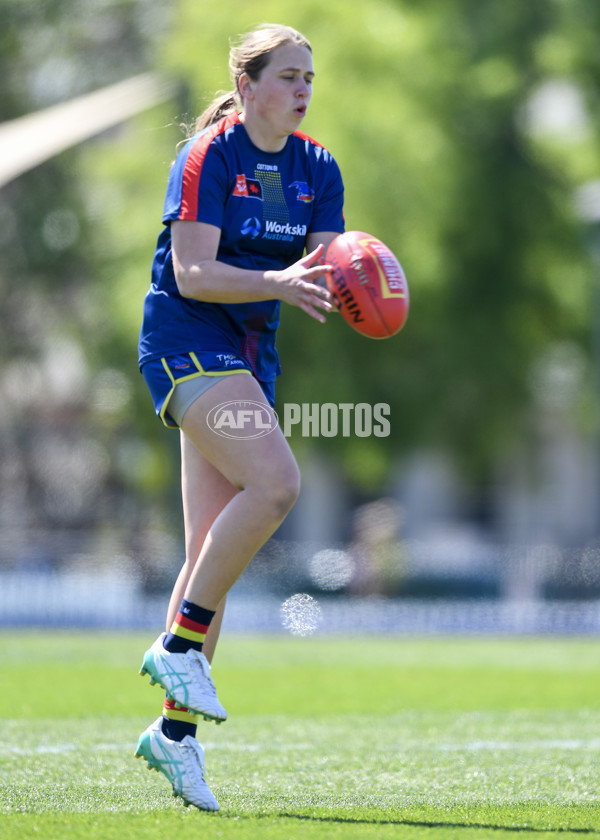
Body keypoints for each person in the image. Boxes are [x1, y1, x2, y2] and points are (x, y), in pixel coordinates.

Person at [133, 23, 345, 812]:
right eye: (288, 75)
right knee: (279, 483)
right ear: (247, 84)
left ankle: (176, 739)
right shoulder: (208, 157)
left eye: (309, 78)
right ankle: (177, 645)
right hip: (186, 339)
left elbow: (325, 270)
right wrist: (284, 283)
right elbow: (191, 273)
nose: (302, 90)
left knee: (206, 556)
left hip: (251, 360)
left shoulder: (317, 166)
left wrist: (361, 278)